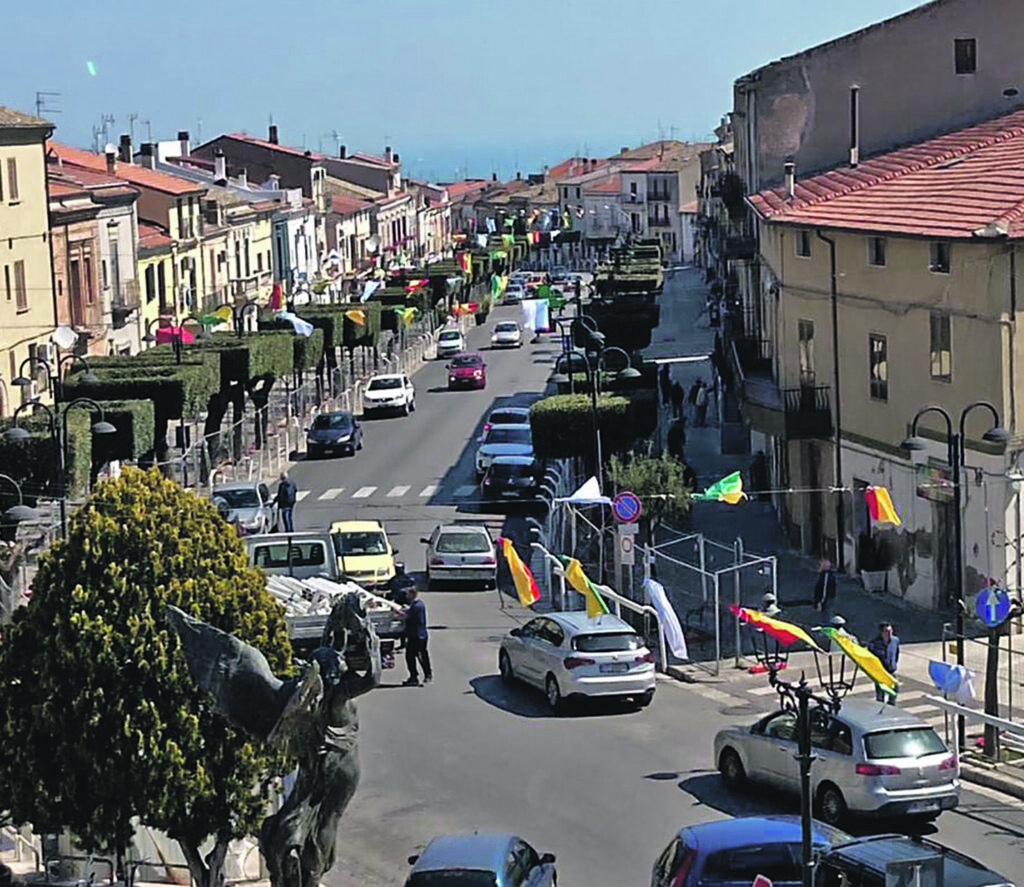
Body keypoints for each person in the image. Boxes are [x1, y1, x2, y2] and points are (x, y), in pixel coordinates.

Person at [401, 587, 432, 686]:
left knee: (419, 656)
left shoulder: (417, 607)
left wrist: (399, 614)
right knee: (412, 656)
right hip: (417, 634)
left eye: (407, 594)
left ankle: (424, 675)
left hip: (417, 635)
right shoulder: (417, 605)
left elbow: (407, 616)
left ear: (412, 595)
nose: (406, 596)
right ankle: (416, 676)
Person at [868, 620, 900, 704]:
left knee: (895, 690)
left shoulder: (895, 640)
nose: (889, 633)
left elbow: (896, 653)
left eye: (890, 631)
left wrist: (894, 665)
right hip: (880, 673)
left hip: (891, 671)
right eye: (886, 631)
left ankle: (891, 706)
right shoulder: (874, 644)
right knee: (880, 695)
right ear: (881, 633)